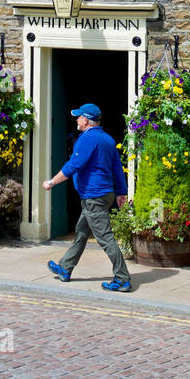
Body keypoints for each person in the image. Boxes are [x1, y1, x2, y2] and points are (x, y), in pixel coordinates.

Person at [43, 103, 132, 292]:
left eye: (78, 117)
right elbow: (117, 168)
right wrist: (121, 192)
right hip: (104, 194)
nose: (76, 120)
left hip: (94, 196)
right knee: (81, 231)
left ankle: (122, 278)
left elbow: (73, 166)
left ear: (85, 120)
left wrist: (52, 182)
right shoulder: (107, 139)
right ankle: (65, 268)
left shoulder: (87, 139)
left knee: (105, 237)